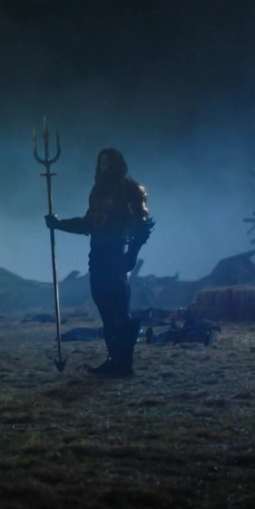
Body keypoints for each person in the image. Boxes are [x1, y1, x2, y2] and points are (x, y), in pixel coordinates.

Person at [45, 148, 154, 377]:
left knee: (119, 310)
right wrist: (59, 224)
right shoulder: (98, 191)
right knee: (105, 309)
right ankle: (114, 360)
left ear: (118, 165)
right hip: (98, 255)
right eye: (102, 164)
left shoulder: (130, 190)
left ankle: (124, 364)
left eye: (108, 164)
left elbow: (143, 226)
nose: (105, 168)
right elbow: (89, 223)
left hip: (116, 255)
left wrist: (132, 253)